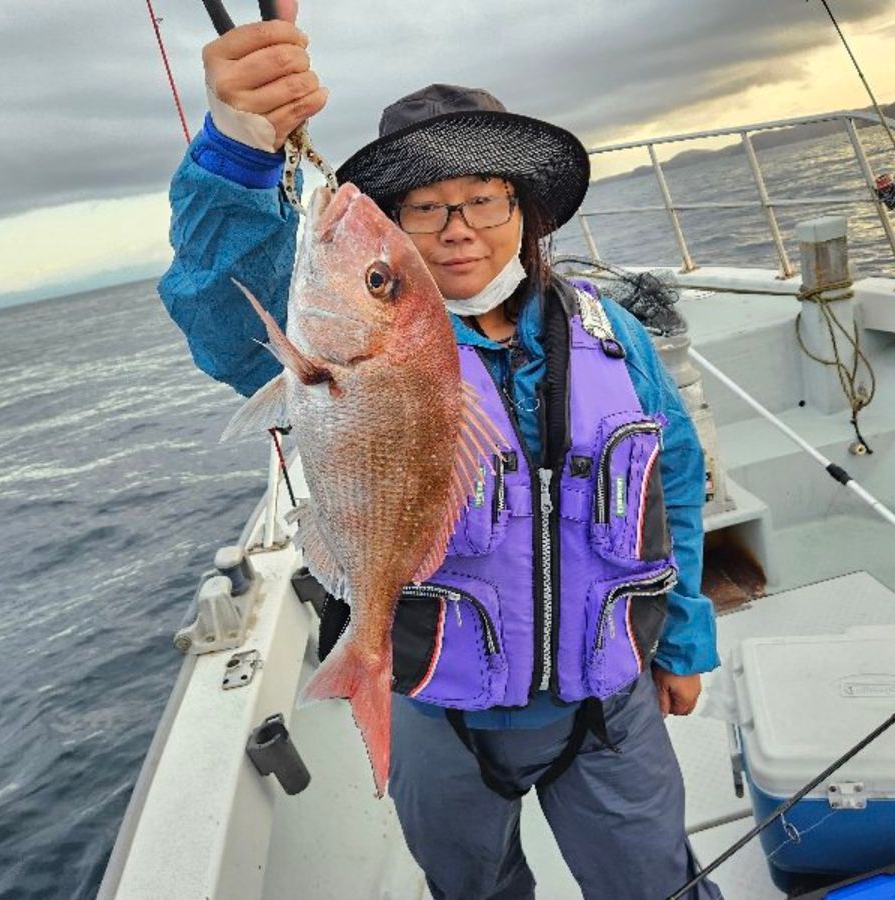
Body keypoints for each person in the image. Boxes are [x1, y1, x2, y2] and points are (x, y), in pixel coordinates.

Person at [158, 14, 722, 900]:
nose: (458, 228)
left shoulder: (617, 341)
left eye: (484, 199)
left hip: (609, 703)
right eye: (422, 206)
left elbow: (673, 487)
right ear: (395, 230)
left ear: (523, 211)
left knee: (658, 887)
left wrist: (683, 637)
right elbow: (224, 318)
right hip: (439, 706)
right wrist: (239, 152)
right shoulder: (345, 344)